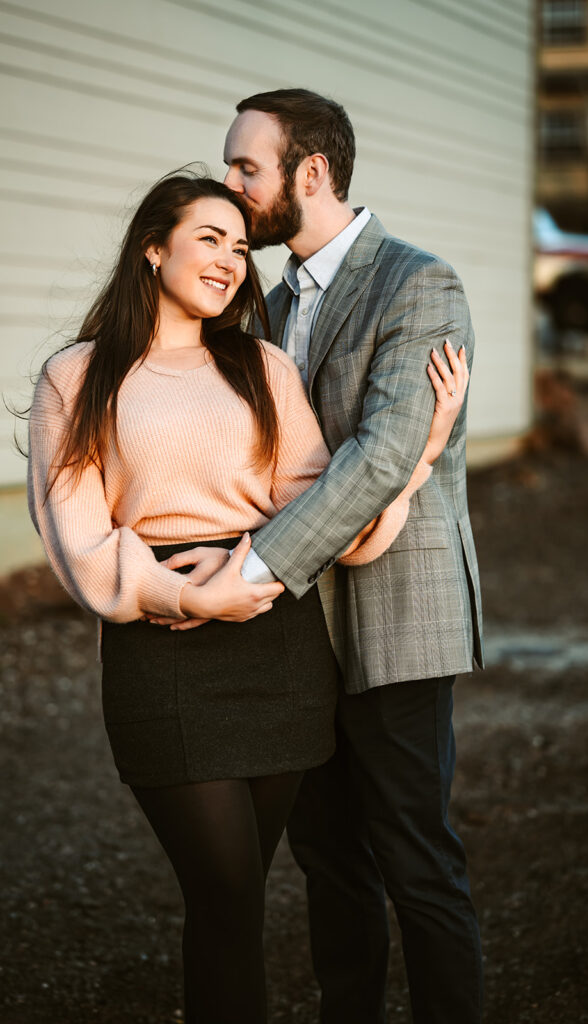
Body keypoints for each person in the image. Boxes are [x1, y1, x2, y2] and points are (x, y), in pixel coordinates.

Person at [26, 171, 469, 1024]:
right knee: (225, 889)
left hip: (279, 647)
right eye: (209, 239)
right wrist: (189, 599)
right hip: (163, 653)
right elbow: (78, 539)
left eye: (240, 245)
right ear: (153, 248)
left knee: (234, 902)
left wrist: (417, 457)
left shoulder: (262, 365)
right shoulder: (74, 377)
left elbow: (320, 511)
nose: (231, 260)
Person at [169, 89, 485, 1024]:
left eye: (245, 167)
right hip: (295, 641)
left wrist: (250, 568)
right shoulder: (261, 303)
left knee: (415, 858)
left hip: (395, 612)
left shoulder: (419, 284)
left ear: (311, 173)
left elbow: (384, 454)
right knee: (328, 861)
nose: (230, 186)